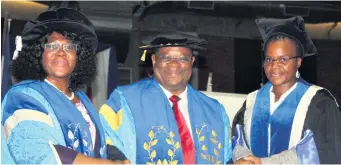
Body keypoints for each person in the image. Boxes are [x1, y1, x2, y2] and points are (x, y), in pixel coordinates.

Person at [1, 6, 128, 164]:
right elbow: (37, 154)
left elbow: (96, 142)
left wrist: (118, 157)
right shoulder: (23, 95)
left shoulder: (82, 99)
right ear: (40, 53)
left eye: (69, 47)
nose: (61, 52)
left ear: (78, 56)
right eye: (52, 46)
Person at [100, 32, 232, 164]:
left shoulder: (214, 110)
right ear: (154, 60)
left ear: (192, 62)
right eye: (165, 58)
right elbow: (104, 139)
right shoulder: (124, 100)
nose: (174, 64)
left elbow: (227, 156)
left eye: (182, 58)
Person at [232, 16, 341, 164]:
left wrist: (265, 163)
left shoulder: (318, 103)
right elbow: (239, 140)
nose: (274, 66)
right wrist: (243, 158)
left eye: (283, 59)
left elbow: (316, 152)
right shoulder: (253, 101)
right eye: (269, 59)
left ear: (298, 62)